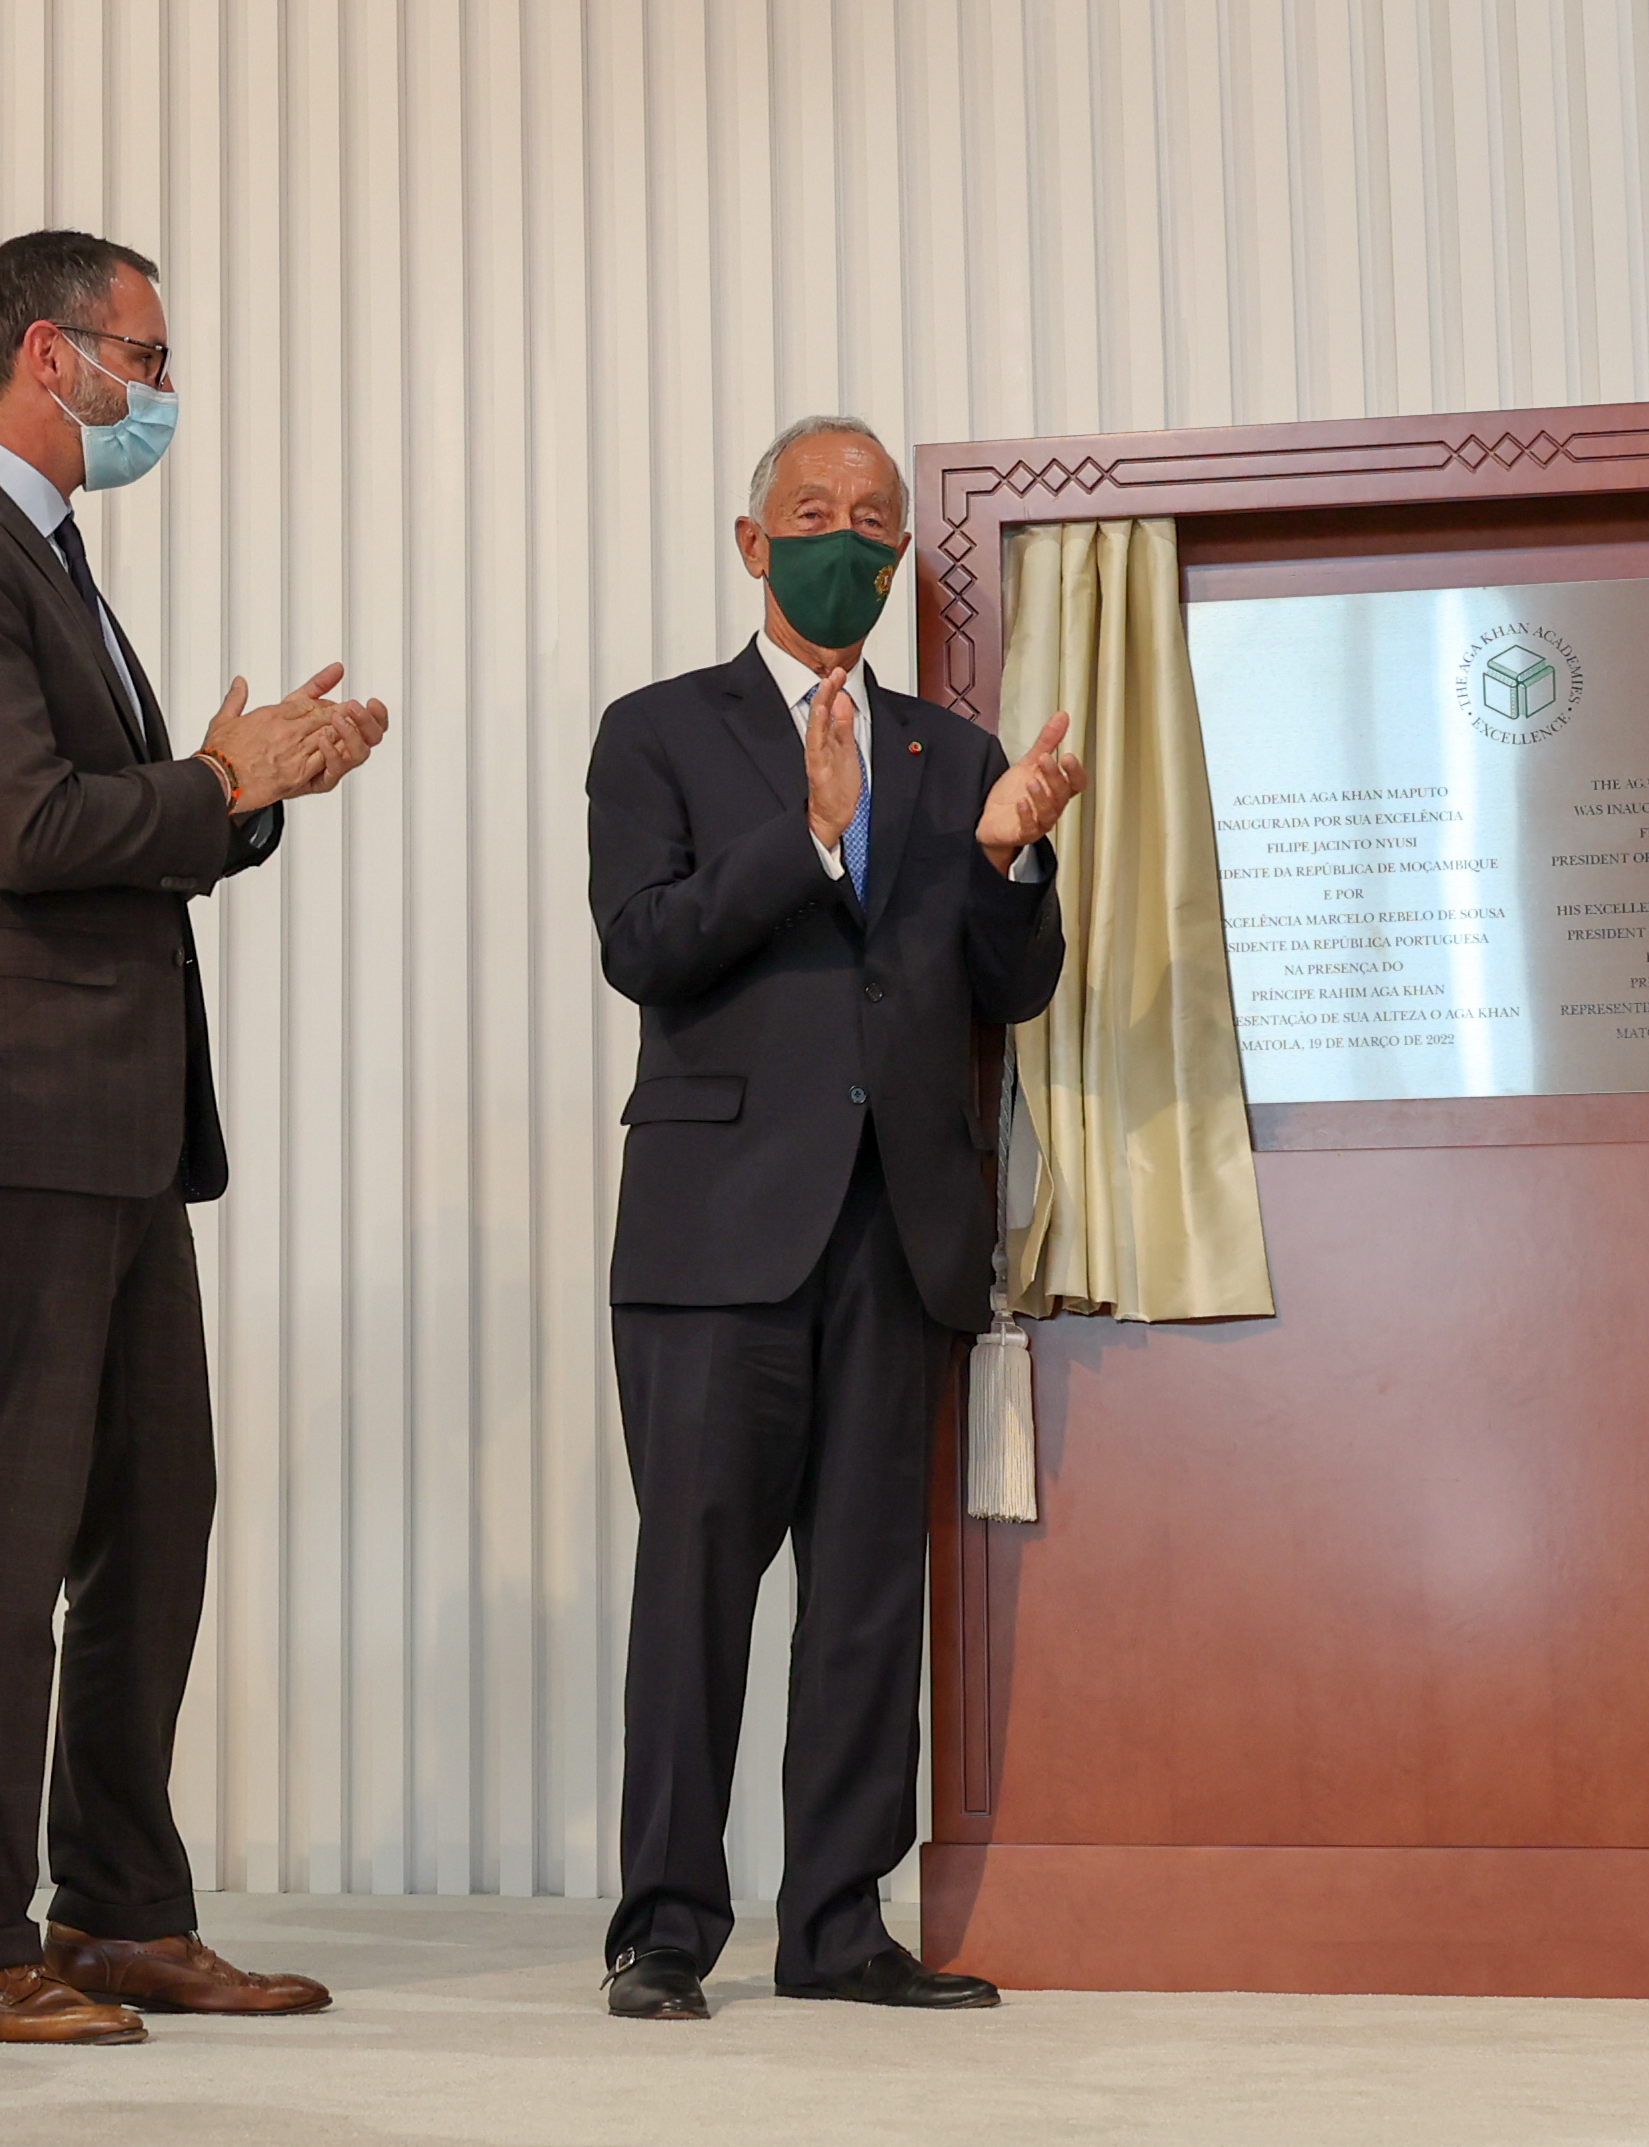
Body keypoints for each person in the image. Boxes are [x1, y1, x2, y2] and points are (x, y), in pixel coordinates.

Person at [0, 230, 388, 2045]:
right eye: (144, 354)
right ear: (46, 353)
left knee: (155, 1519)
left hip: (121, 1125)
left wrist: (253, 791)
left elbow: (122, 823)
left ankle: (123, 1918)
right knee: (1, 1535)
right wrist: (212, 787)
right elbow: (25, 827)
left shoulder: (52, 563)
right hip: (10, 1114)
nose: (162, 387)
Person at [585, 417, 1084, 2020]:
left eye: (878, 520)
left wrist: (1011, 859)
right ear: (752, 543)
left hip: (898, 1232)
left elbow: (1003, 991)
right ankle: (665, 1928)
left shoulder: (948, 751)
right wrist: (803, 839)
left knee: (868, 1592)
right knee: (698, 1585)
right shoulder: (658, 733)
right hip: (717, 1236)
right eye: (816, 512)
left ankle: (839, 1929)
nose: (850, 541)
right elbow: (645, 946)